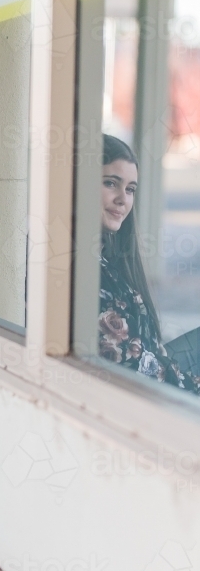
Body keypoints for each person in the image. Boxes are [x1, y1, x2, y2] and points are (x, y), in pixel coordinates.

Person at [97, 134, 199, 394]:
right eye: (111, 183)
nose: (123, 199)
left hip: (156, 367)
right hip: (148, 394)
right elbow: (138, 369)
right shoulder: (85, 268)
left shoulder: (104, 255)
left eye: (130, 189)